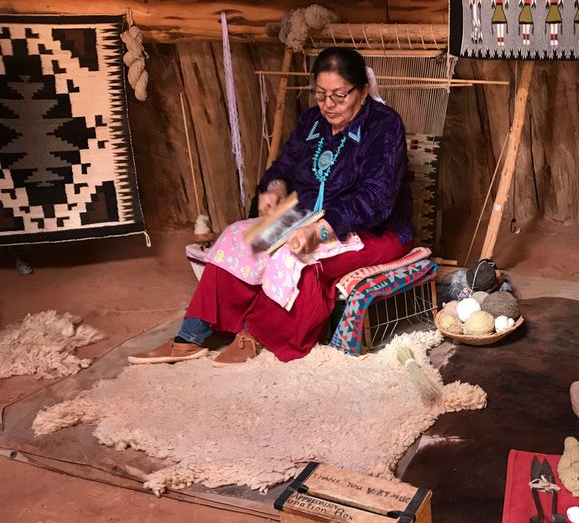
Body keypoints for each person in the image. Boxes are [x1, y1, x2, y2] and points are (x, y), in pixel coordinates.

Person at [129, 47, 414, 366]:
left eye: (339, 95)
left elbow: (375, 199)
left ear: (362, 91)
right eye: (320, 94)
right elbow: (283, 168)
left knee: (296, 259)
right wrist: (275, 191)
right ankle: (190, 336)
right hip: (302, 216)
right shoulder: (311, 121)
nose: (328, 105)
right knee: (238, 238)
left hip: (370, 230)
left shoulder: (383, 126)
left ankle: (257, 333)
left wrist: (318, 231)